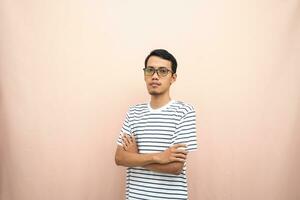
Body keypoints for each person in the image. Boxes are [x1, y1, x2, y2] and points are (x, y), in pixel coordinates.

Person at [115, 49, 198, 200]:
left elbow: (175, 167)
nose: (154, 76)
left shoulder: (184, 111)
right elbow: (120, 158)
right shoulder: (133, 112)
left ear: (173, 78)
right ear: (145, 75)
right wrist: (160, 157)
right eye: (150, 70)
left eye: (163, 71)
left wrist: (135, 157)